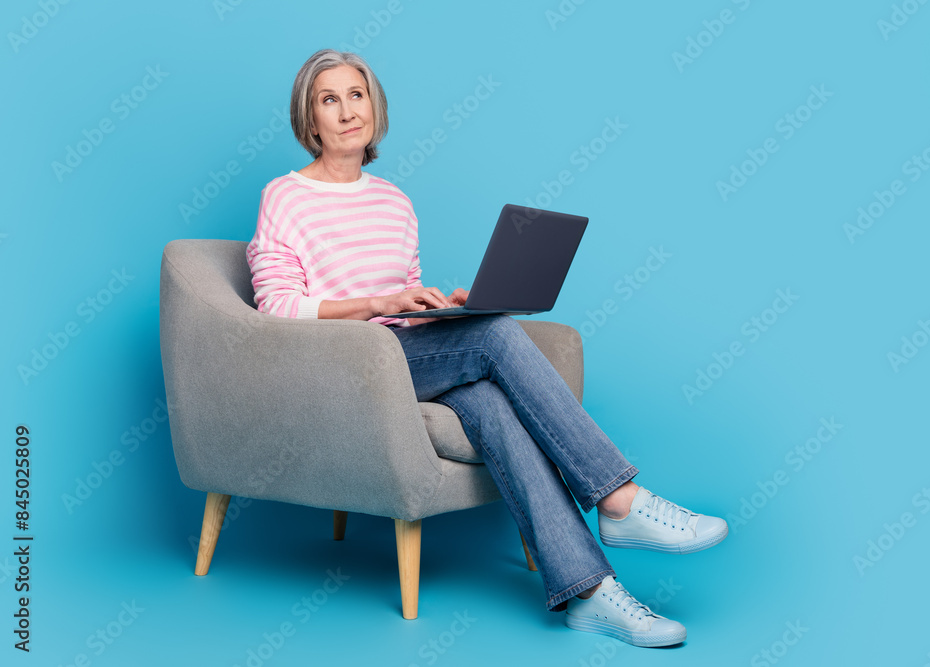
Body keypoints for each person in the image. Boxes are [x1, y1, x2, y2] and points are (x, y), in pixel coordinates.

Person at [246, 49, 727, 649]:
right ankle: (619, 497)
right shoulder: (285, 198)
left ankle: (590, 594)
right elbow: (277, 308)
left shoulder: (394, 201)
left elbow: (405, 296)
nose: (347, 111)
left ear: (375, 107)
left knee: (491, 395)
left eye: (357, 95)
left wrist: (443, 306)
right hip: (348, 364)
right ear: (309, 120)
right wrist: (373, 305)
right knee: (497, 336)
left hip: (408, 353)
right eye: (329, 99)